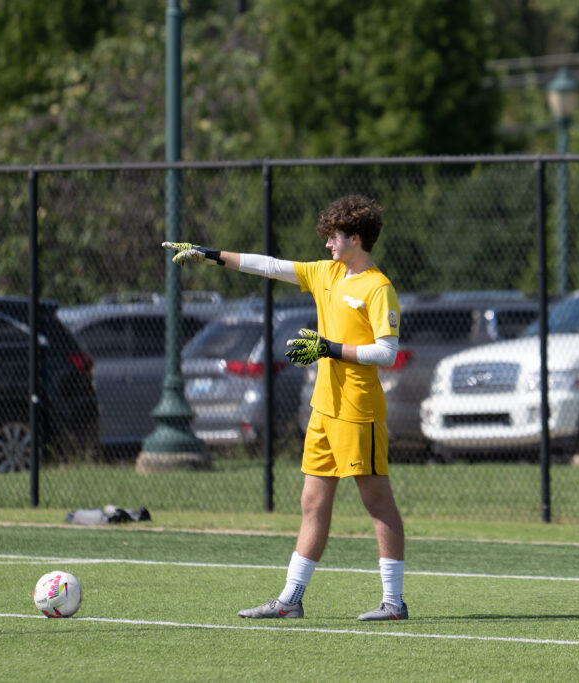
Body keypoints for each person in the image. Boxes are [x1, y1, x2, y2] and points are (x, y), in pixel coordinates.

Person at [162, 194, 407, 621]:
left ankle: (393, 602)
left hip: (359, 411)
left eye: (334, 237)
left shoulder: (378, 287)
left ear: (356, 238)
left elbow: (386, 352)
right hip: (323, 409)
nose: (328, 244)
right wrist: (210, 254)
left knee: (378, 504)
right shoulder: (325, 273)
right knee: (312, 503)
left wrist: (329, 347)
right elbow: (269, 265)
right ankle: (290, 600)